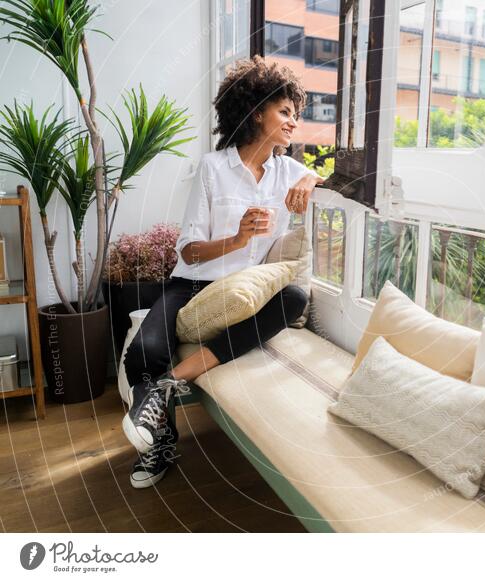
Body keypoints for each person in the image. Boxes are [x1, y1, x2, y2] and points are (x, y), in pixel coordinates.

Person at [121, 56, 324, 489]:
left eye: (296, 114)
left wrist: (311, 178)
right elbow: (189, 251)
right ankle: (161, 442)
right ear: (256, 112)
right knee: (145, 349)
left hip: (243, 290)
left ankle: (173, 380)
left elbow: (324, 169)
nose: (293, 123)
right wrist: (235, 240)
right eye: (285, 112)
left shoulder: (288, 171)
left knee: (294, 299)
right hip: (192, 284)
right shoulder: (213, 168)